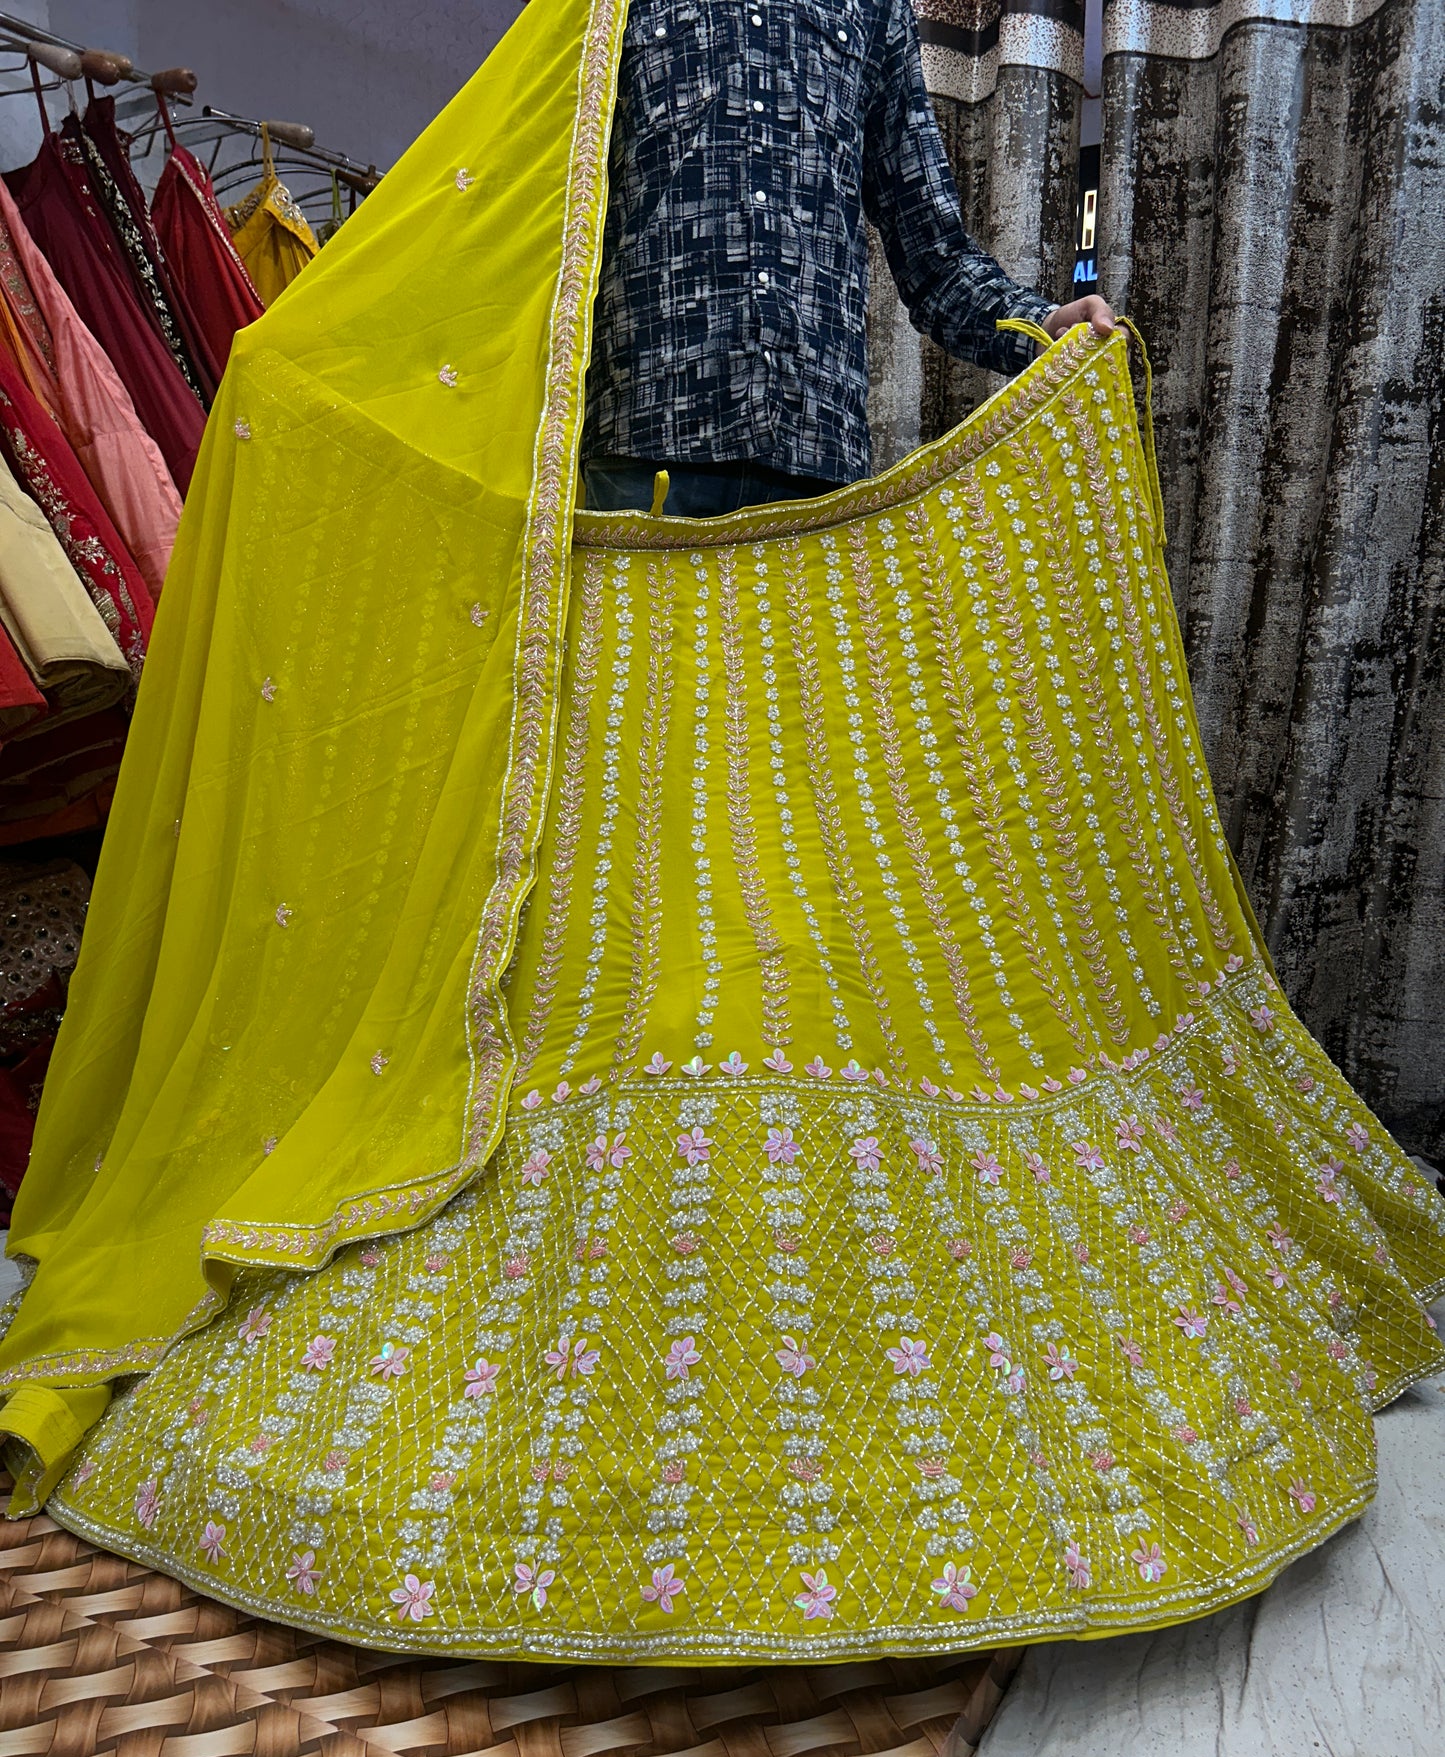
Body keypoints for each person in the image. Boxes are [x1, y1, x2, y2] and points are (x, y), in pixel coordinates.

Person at [0, 0, 1440, 1667]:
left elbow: (926, 238)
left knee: (779, 889)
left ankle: (795, 1306)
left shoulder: (859, 23)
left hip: (810, 500)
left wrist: (1041, 333)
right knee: (612, 894)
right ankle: (579, 1324)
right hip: (627, 495)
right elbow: (508, 207)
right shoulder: (610, 9)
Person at [582, 0, 1115, 517]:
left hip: (817, 466)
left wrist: (1040, 327)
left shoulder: (873, 9)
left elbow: (934, 253)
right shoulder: (596, 8)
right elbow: (539, 199)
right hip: (646, 444)